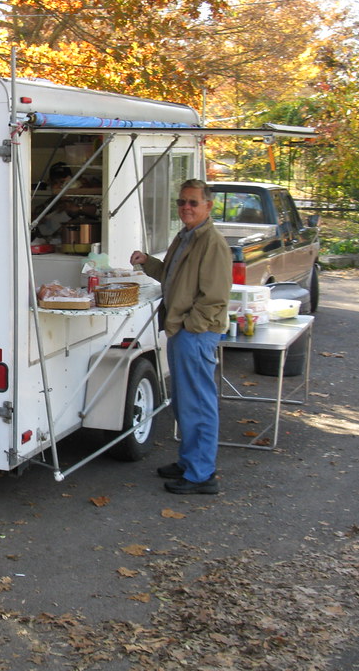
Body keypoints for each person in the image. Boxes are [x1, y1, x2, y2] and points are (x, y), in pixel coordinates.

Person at [130, 179, 231, 494]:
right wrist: (148, 262)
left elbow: (214, 298)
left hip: (195, 334)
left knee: (199, 404)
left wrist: (189, 326)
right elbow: (172, 275)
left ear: (208, 206)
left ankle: (202, 475)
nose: (186, 207)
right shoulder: (186, 236)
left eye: (193, 203)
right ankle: (190, 462)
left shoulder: (212, 243)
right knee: (185, 403)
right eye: (182, 202)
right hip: (181, 330)